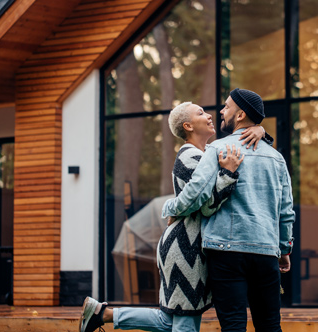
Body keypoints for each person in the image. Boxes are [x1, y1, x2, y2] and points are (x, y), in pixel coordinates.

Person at [79, 102, 269, 332]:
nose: (209, 116)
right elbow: (207, 206)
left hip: (188, 245)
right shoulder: (191, 157)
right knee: (185, 323)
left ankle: (103, 313)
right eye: (201, 113)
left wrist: (260, 130)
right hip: (185, 248)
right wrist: (228, 173)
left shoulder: (202, 154)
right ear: (188, 126)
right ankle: (103, 313)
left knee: (171, 321)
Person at [161, 88, 295, 332]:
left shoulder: (217, 149)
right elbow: (286, 211)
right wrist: (284, 248)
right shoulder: (277, 158)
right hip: (266, 251)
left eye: (227, 107)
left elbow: (195, 194)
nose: (221, 111)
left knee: (233, 326)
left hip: (226, 252)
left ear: (241, 114)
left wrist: (169, 206)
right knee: (270, 326)